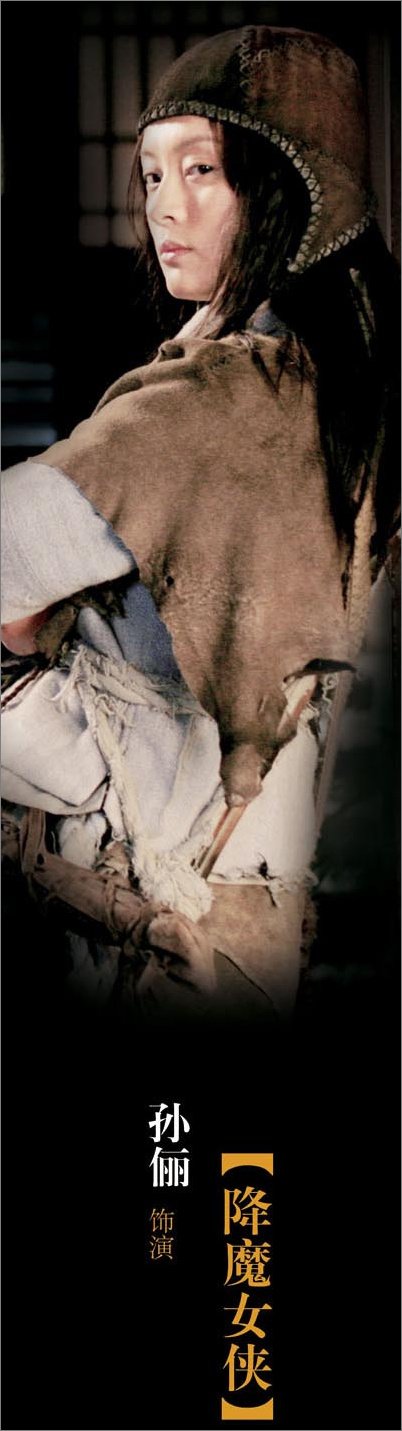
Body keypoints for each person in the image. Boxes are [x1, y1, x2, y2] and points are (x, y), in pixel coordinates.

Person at [1, 25, 399, 1021]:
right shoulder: (343, 388)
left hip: (149, 909)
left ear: (294, 192)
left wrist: (39, 646)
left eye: (204, 169)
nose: (163, 206)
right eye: (151, 173)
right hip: (262, 914)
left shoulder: (216, 399)